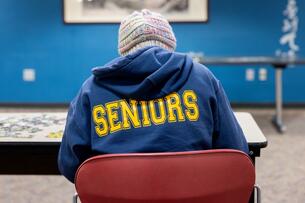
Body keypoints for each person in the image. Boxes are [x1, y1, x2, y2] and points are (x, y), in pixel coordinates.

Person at [58, 9, 249, 183]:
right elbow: (236, 151)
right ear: (170, 43)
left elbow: (70, 164)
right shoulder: (203, 77)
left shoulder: (91, 89)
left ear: (124, 48)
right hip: (193, 195)